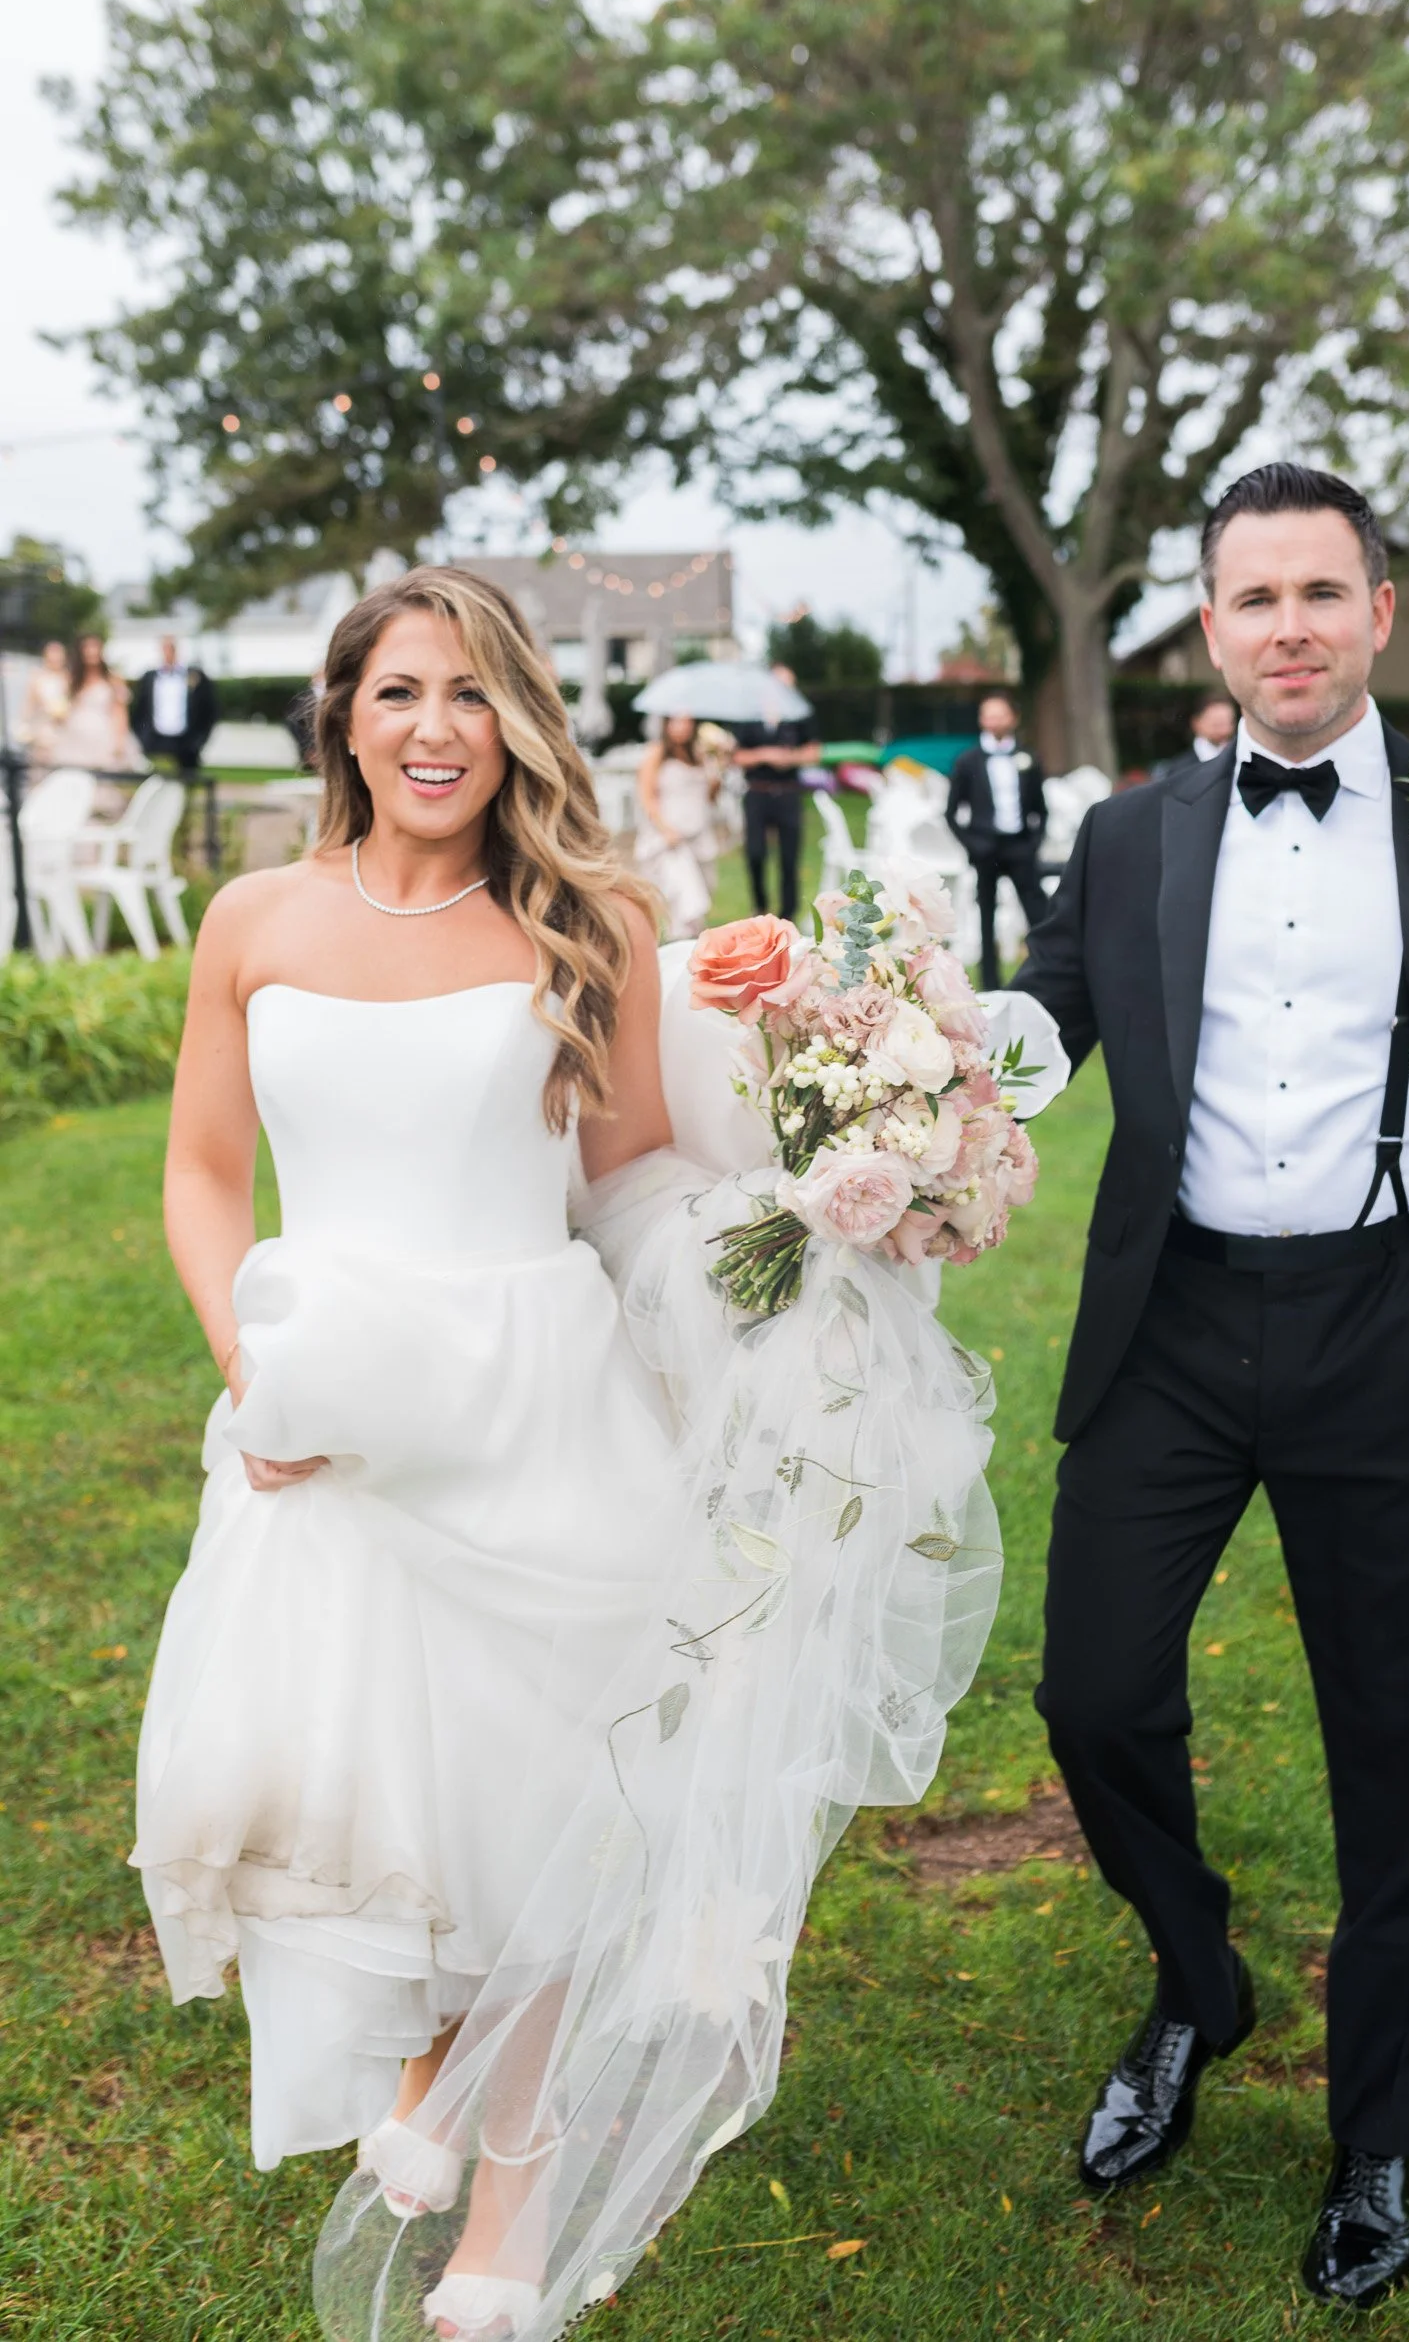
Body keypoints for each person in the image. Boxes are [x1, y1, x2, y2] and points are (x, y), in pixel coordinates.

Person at [132, 565, 999, 2342]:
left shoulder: (587, 920)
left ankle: (510, 2207)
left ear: (517, 720)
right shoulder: (252, 919)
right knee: (379, 1793)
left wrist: (815, 1229)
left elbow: (630, 1182)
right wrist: (243, 1366)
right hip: (323, 1419)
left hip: (534, 1403)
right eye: (398, 692)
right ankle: (427, 2069)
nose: (434, 728)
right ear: (341, 717)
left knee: (541, 1818)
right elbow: (204, 1174)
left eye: (470, 693)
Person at [1012, 462, 1409, 2308]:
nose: (1283, 627)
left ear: (1372, 612)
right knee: (1092, 1692)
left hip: (1389, 1315)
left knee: (1398, 1742)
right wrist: (907, 1050)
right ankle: (1195, 1984)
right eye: (1250, 597)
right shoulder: (1130, 834)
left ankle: (1377, 2122)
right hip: (1172, 1318)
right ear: (1208, 630)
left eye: (1316, 592)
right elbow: (1047, 1010)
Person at [946, 693, 1050, 992]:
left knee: (1037, 913)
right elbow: (951, 812)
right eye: (989, 715)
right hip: (985, 847)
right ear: (981, 720)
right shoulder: (968, 761)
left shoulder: (1027, 757)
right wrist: (972, 843)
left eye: (1000, 714)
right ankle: (990, 983)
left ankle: (1046, 973)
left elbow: (1040, 808)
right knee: (986, 916)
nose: (995, 721)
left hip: (1020, 845)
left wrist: (1034, 842)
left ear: (1013, 718)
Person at [728, 664, 818, 917]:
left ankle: (788, 913)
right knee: (755, 852)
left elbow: (814, 752)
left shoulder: (800, 715)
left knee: (789, 857)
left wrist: (790, 758)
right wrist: (765, 755)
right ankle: (760, 905)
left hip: (788, 792)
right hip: (757, 792)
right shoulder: (749, 716)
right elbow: (736, 756)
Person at [632, 712, 722, 937]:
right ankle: (680, 940)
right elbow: (646, 796)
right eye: (677, 721)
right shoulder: (656, 753)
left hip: (699, 834)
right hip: (670, 838)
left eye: (688, 721)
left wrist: (718, 767)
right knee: (685, 894)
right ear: (667, 724)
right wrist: (665, 829)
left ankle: (692, 941)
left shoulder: (700, 754)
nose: (683, 726)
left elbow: (710, 797)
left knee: (706, 887)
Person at [130, 634, 220, 771]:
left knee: (186, 779)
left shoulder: (194, 676)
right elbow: (139, 710)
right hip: (155, 740)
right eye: (165, 648)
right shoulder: (149, 678)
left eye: (171, 648)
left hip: (186, 742)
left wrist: (198, 741)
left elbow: (209, 711)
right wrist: (142, 737)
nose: (168, 653)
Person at [51, 634, 141, 771]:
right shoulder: (73, 679)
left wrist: (120, 741)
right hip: (75, 736)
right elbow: (66, 705)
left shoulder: (112, 678)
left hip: (103, 735)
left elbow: (119, 711)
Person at [1149, 695, 1236, 780]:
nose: (1225, 730)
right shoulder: (1180, 769)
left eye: (1230, 723)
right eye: (1217, 724)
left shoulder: (1238, 760)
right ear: (1196, 723)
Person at [20, 638, 72, 763]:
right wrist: (25, 723)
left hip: (62, 728)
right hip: (42, 726)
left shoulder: (68, 677)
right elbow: (29, 703)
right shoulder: (37, 676)